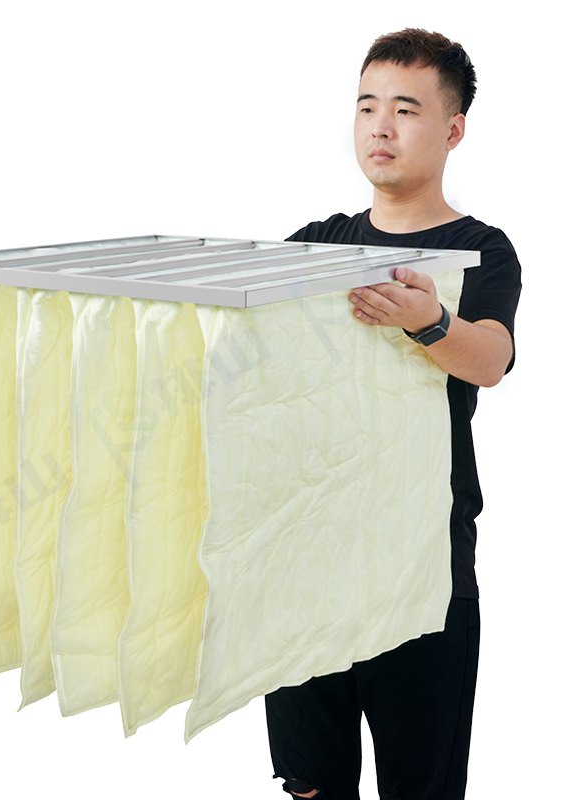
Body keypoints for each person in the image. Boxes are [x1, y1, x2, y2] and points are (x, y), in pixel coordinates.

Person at [264, 28, 522, 800]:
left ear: (453, 130)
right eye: (366, 106)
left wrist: (428, 321)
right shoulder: (316, 245)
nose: (380, 126)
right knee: (310, 785)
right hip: (307, 568)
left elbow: (491, 359)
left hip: (424, 574)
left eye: (405, 109)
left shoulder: (479, 249)